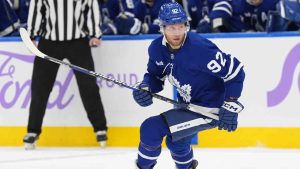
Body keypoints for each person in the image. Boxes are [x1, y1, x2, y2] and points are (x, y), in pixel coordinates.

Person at [132, 2, 245, 169]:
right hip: (186, 105)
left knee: (151, 128)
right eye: (171, 27)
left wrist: (231, 102)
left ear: (187, 25)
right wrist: (146, 87)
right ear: (162, 28)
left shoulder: (200, 49)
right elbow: (155, 76)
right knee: (177, 142)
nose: (177, 32)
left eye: (181, 26)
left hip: (210, 109)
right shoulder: (156, 48)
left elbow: (235, 71)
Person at [23, 0, 108, 150]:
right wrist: (31, 35)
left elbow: (91, 6)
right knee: (39, 87)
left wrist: (95, 34)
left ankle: (100, 128)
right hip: (49, 42)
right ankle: (32, 131)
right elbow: (36, 8)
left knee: (88, 85)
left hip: (78, 42)